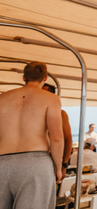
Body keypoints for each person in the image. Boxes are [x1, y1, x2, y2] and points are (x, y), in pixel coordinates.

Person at [0, 61, 64, 208]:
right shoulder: (51, 99)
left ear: (24, 77)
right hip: (35, 164)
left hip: (2, 162)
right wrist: (58, 167)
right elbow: (56, 138)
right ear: (45, 78)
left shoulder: (2, 99)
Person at [43, 83, 73, 179]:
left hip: (53, 162)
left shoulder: (61, 114)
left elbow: (68, 139)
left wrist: (64, 166)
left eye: (43, 93)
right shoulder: (32, 113)